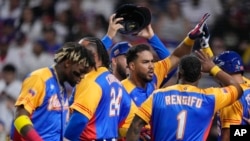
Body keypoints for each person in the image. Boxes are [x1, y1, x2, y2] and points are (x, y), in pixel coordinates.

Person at [126, 50, 243, 141]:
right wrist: (213, 68)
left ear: (179, 73)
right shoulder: (211, 98)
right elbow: (237, 88)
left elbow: (135, 126)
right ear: (199, 76)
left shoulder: (158, 95)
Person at [11, 42, 96, 141]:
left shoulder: (62, 88)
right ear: (68, 63)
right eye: (81, 71)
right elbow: (20, 118)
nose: (82, 77)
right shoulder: (39, 78)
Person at [64, 37, 137, 140]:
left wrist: (66, 138)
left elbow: (80, 119)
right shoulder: (116, 83)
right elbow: (132, 119)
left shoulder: (91, 81)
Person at [102, 13, 174, 84]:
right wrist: (109, 37)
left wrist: (151, 37)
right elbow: (92, 60)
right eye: (127, 56)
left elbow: (171, 66)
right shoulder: (104, 84)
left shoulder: (145, 83)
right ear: (114, 61)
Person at [213, 51, 250, 141]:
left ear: (223, 72)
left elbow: (228, 136)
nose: (215, 76)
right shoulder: (247, 83)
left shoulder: (230, 97)